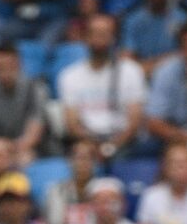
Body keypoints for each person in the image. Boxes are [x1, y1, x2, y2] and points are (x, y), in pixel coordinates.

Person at [57, 13, 146, 161]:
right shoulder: (69, 76)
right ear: (85, 37)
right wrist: (93, 145)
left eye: (105, 34)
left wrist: (112, 147)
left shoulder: (131, 71)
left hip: (125, 143)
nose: (99, 39)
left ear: (114, 38)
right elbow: (72, 124)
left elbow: (134, 121)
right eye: (94, 33)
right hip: (87, 143)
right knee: (79, 155)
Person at [0, 42, 46, 166]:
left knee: (25, 158)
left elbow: (33, 136)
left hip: (23, 149)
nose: (5, 71)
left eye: (9, 66)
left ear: (19, 65)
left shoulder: (35, 90)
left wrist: (5, 149)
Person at [121, 0, 183, 78]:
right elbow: (127, 66)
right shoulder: (132, 21)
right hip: (140, 83)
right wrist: (169, 60)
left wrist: (148, 66)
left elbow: (184, 59)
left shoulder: (183, 19)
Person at [137, 142, 187, 224]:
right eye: (174, 163)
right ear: (165, 167)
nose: (180, 168)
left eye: (184, 163)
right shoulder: (152, 195)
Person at [44, 138, 100, 224]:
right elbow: (54, 223)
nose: (82, 163)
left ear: (95, 163)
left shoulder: (103, 191)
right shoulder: (56, 190)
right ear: (69, 161)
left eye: (87, 158)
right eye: (78, 158)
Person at [145, 22, 187, 147]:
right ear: (180, 50)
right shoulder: (166, 72)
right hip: (174, 137)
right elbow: (153, 122)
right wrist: (181, 138)